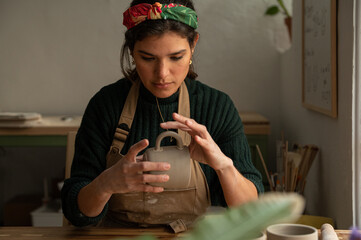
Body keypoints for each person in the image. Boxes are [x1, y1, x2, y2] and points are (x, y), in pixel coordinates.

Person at [61, 0, 264, 231]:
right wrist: (105, 184)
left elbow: (251, 212)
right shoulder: (106, 104)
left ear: (193, 45)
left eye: (176, 57)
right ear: (131, 51)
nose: (162, 74)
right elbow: (75, 211)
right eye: (148, 58)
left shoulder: (217, 106)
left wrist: (224, 166)